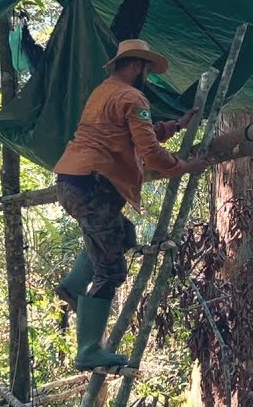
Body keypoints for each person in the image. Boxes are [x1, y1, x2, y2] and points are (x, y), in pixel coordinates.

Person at [52, 39, 208, 371]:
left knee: (122, 234)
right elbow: (149, 152)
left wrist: (175, 125)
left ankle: (73, 287)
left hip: (71, 181)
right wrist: (182, 167)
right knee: (110, 270)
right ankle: (89, 350)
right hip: (93, 186)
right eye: (148, 71)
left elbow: (129, 136)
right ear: (137, 66)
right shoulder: (132, 97)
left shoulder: (104, 92)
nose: (148, 77)